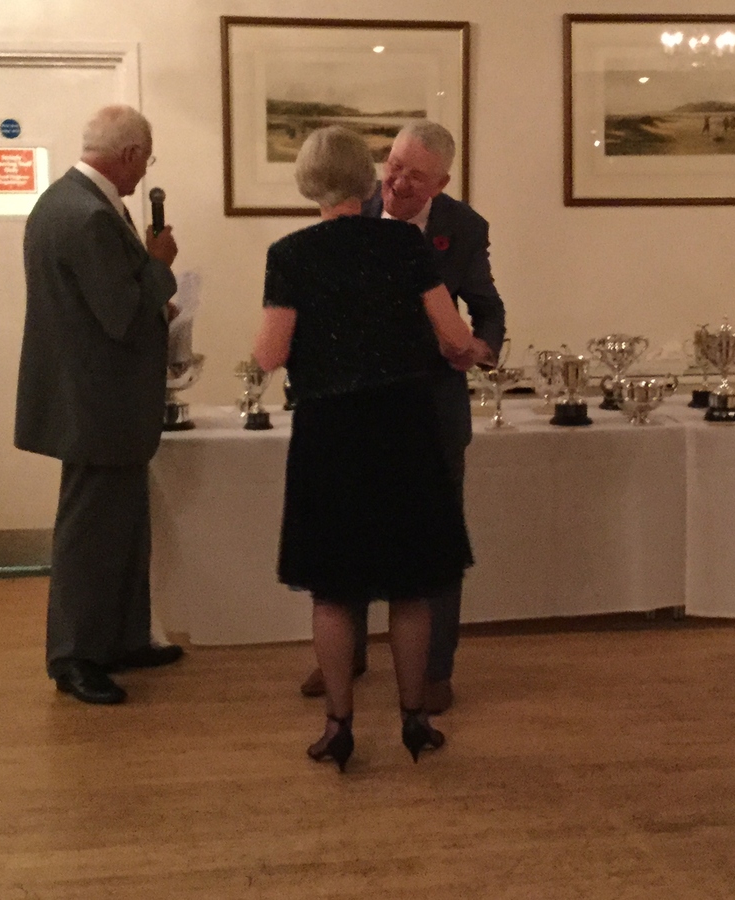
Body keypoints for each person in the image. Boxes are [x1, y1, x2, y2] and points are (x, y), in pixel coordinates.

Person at [253, 126, 482, 771]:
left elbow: (270, 354)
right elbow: (454, 337)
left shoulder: (290, 254)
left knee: (332, 589)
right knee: (410, 588)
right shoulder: (405, 244)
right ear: (366, 178)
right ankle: (414, 720)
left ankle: (340, 725)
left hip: (330, 431)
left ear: (307, 182)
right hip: (405, 427)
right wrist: (461, 350)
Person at [299, 120, 506, 713]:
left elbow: (488, 308)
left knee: (432, 545)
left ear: (441, 181)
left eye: (415, 174)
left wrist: (479, 349)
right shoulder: (347, 210)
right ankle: (346, 653)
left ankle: (435, 671)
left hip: (432, 409)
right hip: (356, 409)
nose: (396, 180)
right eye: (393, 164)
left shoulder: (463, 229)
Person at [15, 105, 183, 705]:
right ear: (132, 154)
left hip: (96, 400)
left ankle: (122, 639)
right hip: (97, 404)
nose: (144, 172)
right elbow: (120, 314)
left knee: (123, 527)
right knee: (90, 535)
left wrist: (143, 268)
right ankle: (75, 658)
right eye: (147, 159)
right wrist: (159, 268)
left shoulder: (65, 201)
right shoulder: (87, 215)